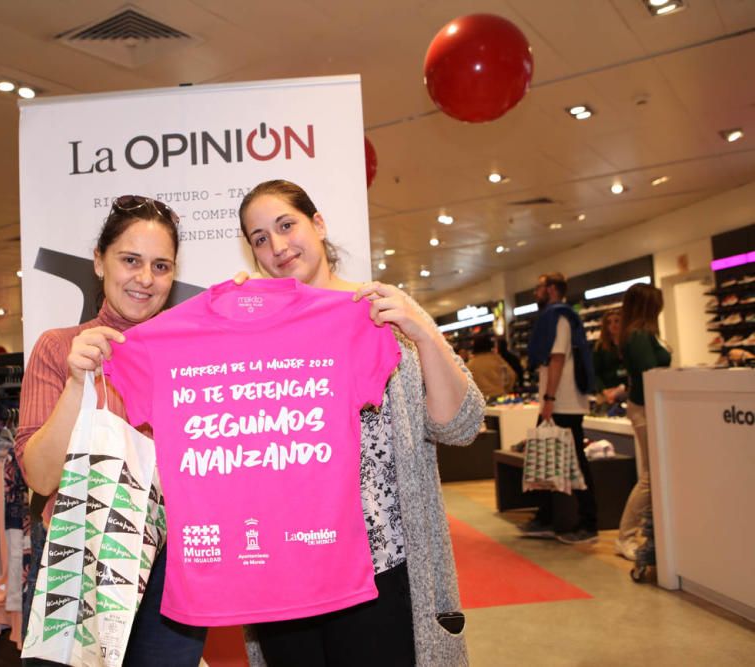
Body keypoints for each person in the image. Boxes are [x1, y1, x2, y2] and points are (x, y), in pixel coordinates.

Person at [235, 180, 484, 667]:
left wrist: (423, 334)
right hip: (287, 572)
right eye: (260, 238)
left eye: (287, 225)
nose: (278, 246)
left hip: (381, 564)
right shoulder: (255, 333)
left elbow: (460, 426)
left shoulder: (383, 315)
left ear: (319, 224)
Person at [16, 195, 207, 666]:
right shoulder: (60, 348)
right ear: (99, 262)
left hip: (173, 569)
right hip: (79, 555)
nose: (145, 278)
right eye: (130, 260)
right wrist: (78, 383)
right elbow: (40, 478)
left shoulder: (190, 355)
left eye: (161, 265)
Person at [520, 272, 598, 545]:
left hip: (563, 401)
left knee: (574, 460)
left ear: (551, 289)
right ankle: (547, 517)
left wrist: (550, 398)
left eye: (539, 287)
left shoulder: (560, 317)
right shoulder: (554, 316)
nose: (535, 292)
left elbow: (557, 358)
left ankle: (589, 522)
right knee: (548, 456)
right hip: (554, 399)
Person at [614, 283, 671, 561]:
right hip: (646, 409)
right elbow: (650, 374)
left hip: (649, 408)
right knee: (650, 476)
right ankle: (626, 536)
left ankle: (644, 532)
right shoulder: (638, 336)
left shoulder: (642, 335)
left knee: (654, 474)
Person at [592, 310, 627, 410]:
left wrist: (622, 388)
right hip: (606, 393)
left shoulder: (629, 344)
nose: (613, 325)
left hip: (626, 390)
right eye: (609, 322)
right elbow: (595, 373)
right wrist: (604, 390)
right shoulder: (600, 347)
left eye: (617, 321)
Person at [466, 334, 517, 400]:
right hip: (499, 396)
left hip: (480, 399)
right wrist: (506, 389)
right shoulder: (498, 360)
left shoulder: (470, 365)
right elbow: (511, 375)